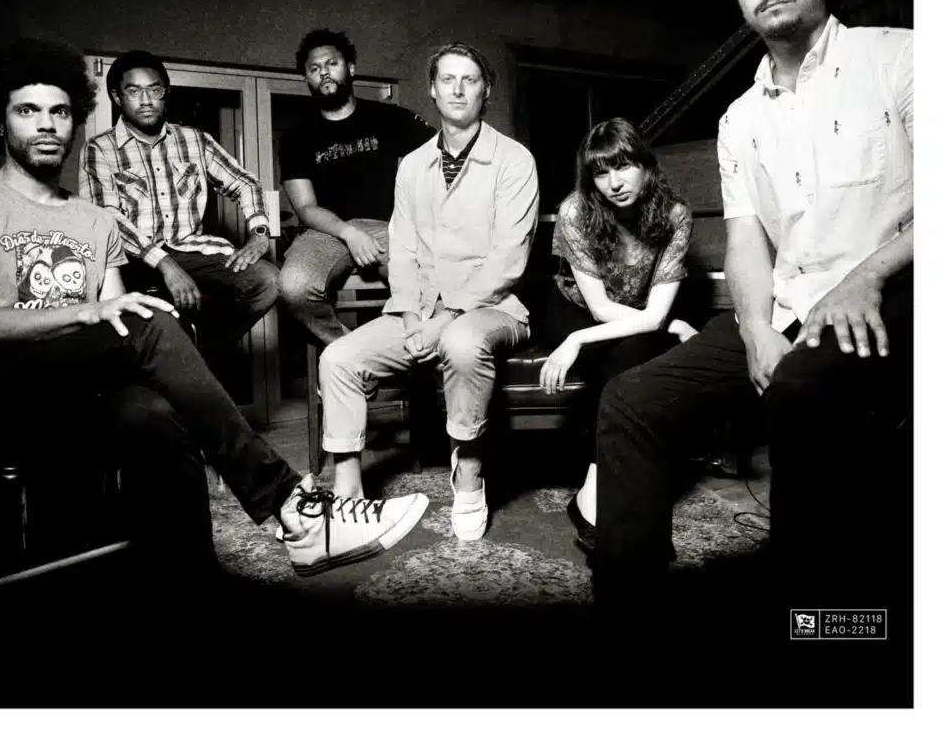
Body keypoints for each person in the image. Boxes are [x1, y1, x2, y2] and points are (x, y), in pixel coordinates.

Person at [0, 38, 429, 583]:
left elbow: (117, 325)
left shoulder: (92, 221)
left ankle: (197, 586)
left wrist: (253, 238)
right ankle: (293, 504)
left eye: (59, 112)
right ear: (1, 122)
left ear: (74, 122)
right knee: (152, 321)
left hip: (80, 383)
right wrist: (89, 313)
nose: (47, 125)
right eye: (28, 111)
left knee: (158, 409)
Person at [590, 0, 913, 615]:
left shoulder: (903, 57)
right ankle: (628, 613)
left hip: (895, 292)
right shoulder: (738, 118)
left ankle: (809, 617)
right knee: (631, 401)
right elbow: (745, 242)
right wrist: (756, 329)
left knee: (798, 391)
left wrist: (866, 277)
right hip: (790, 306)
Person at [318, 42, 539, 540]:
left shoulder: (514, 160)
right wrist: (412, 317)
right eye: (448, 80)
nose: (458, 89)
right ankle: (349, 492)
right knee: (338, 359)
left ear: (486, 91)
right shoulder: (413, 164)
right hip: (420, 309)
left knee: (461, 342)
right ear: (433, 91)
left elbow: (508, 259)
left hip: (494, 308)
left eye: (470, 80)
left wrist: (445, 318)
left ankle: (469, 471)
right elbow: (403, 249)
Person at [534, 118, 697, 553]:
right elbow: (600, 310)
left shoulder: (675, 215)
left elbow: (653, 315)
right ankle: (610, 498)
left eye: (624, 166)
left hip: (638, 315)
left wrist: (662, 321)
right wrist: (577, 337)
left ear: (646, 166)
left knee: (632, 355)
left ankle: (594, 494)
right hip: (574, 309)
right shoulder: (575, 211)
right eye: (601, 173)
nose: (614, 183)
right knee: (624, 351)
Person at [79, 50, 280, 399]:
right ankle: (174, 369)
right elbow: (108, 219)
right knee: (132, 338)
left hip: (193, 251)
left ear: (166, 93)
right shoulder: (100, 149)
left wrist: (260, 233)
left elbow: (246, 183)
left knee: (266, 280)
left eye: (154, 90)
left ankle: (194, 358)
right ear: (117, 97)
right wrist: (166, 265)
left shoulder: (195, 141)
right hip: (133, 261)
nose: (145, 100)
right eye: (133, 91)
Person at [278, 29, 435, 345]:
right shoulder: (297, 137)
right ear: (306, 78)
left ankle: (413, 356)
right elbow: (306, 207)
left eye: (332, 63)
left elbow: (440, 159)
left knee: (429, 286)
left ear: (350, 68)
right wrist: (349, 233)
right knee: (293, 287)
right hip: (327, 232)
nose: (324, 72)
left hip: (389, 228)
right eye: (314, 68)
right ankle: (349, 354)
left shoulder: (390, 117)